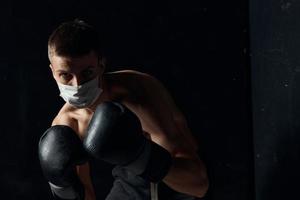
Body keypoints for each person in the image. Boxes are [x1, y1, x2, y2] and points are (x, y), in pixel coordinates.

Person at [38, 19, 209, 200]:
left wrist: (139, 154)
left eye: (87, 73)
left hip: (178, 184)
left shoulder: (137, 92)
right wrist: (63, 188)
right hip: (131, 183)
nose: (77, 85)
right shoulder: (66, 123)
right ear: (53, 72)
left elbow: (198, 185)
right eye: (65, 75)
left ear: (101, 65)